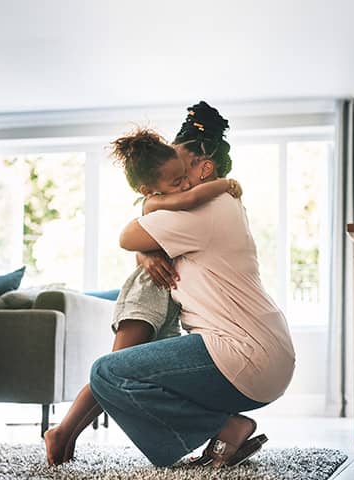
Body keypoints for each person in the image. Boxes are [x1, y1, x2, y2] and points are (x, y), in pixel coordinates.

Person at [88, 101, 296, 468]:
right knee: (135, 368)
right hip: (263, 352)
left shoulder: (204, 208)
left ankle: (227, 426)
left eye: (179, 168)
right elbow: (143, 244)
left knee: (108, 371)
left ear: (204, 167)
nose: (174, 180)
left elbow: (127, 236)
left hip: (242, 353)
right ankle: (221, 430)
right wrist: (149, 255)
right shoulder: (218, 206)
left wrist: (150, 217)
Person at [44, 127, 243, 465]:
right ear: (147, 189)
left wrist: (147, 253)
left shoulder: (163, 197)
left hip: (166, 297)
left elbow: (157, 242)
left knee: (133, 373)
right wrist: (225, 185)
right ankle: (62, 431)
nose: (183, 184)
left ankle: (67, 432)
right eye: (175, 181)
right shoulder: (157, 201)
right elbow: (188, 202)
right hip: (147, 293)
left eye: (183, 177)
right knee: (114, 367)